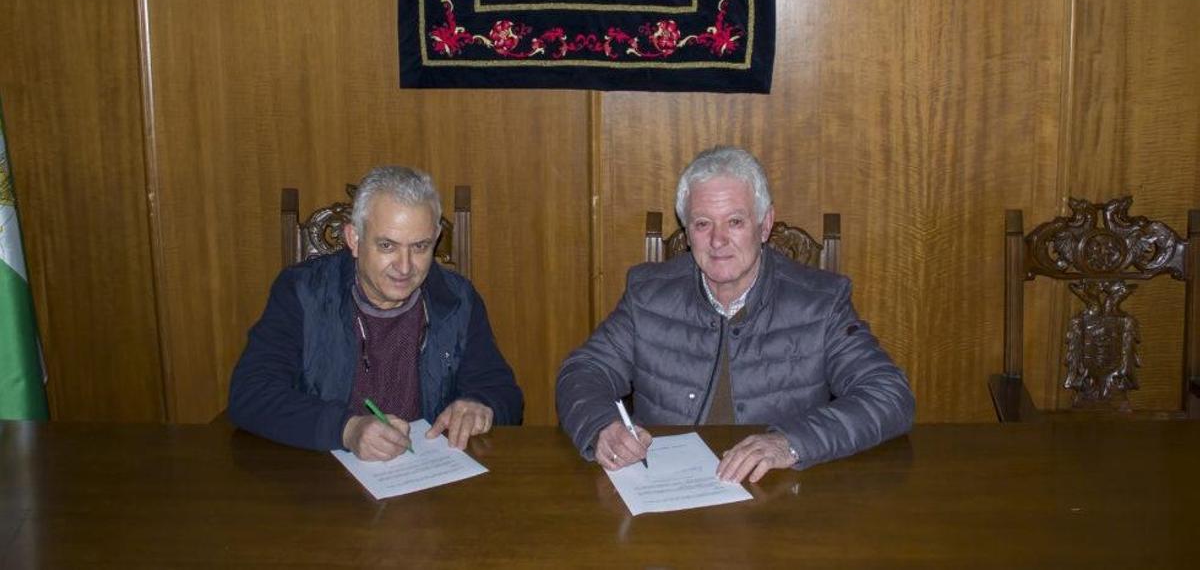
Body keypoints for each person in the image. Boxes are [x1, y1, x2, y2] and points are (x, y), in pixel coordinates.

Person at [556, 146, 914, 483]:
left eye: (735, 222)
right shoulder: (647, 295)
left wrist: (790, 443)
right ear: (687, 231)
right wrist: (602, 426)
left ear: (765, 224)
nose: (718, 240)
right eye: (702, 224)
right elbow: (584, 370)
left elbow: (889, 395)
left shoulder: (820, 303)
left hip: (778, 493)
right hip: (665, 492)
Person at [229, 166, 522, 460]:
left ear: (435, 238)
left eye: (420, 246)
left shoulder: (458, 300)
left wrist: (480, 405)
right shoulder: (302, 293)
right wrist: (346, 429)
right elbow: (251, 393)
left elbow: (502, 393)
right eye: (387, 245)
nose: (404, 266)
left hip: (428, 474)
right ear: (354, 239)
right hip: (323, 473)